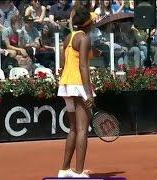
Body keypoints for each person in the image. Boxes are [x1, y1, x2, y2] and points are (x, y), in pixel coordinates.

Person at [57, 7, 95, 177]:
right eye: (92, 20)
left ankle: (64, 169)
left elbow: (65, 62)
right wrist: (88, 93)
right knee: (82, 130)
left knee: (73, 128)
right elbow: (82, 66)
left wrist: (91, 53)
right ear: (88, 24)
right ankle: (79, 172)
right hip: (78, 85)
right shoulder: (84, 38)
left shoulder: (68, 37)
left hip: (65, 85)